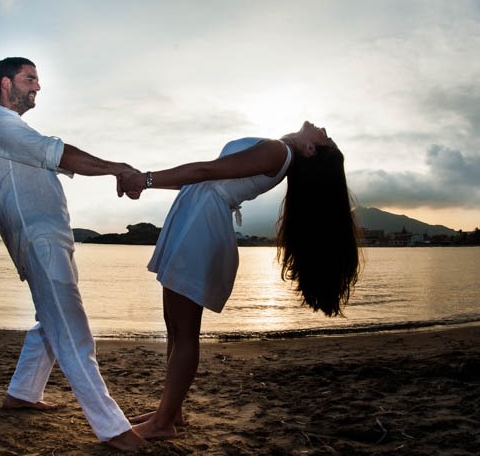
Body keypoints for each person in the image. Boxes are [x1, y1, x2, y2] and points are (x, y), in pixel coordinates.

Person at [116, 122, 361, 440]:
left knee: (185, 332)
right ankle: (170, 411)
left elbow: (205, 171)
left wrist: (145, 179)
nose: (323, 128)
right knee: (175, 328)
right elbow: (202, 179)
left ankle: (163, 423)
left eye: (325, 136)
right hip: (196, 217)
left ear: (312, 149)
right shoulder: (280, 151)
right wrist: (149, 183)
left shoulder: (278, 151)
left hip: (201, 228)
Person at [0, 57, 145, 451]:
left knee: (50, 321)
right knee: (72, 329)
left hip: (50, 238)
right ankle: (112, 428)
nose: (37, 86)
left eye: (37, 79)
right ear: (6, 83)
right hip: (39, 240)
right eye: (29, 78)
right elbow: (60, 153)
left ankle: (22, 392)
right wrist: (116, 168)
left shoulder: (13, 128)